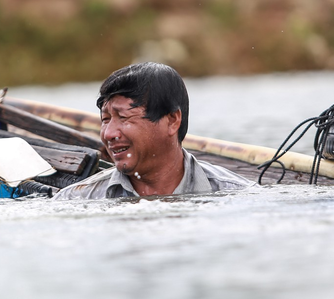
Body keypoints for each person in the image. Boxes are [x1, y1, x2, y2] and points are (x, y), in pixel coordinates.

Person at [53, 62, 253, 200]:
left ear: (172, 120)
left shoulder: (236, 194)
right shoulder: (77, 199)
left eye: (124, 118)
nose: (108, 134)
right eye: (105, 120)